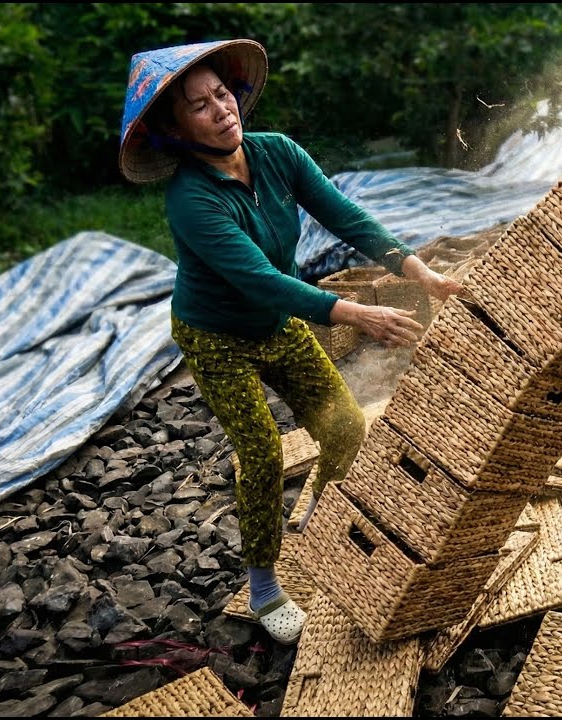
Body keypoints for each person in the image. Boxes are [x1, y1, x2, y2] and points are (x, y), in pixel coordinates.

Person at [117, 39, 463, 644]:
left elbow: (346, 216)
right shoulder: (189, 200)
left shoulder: (276, 153)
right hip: (216, 336)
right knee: (262, 452)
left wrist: (418, 271)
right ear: (176, 130)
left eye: (223, 93)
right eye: (199, 106)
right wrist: (357, 312)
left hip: (276, 324)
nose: (221, 109)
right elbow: (261, 280)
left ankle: (322, 526)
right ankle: (264, 587)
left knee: (346, 429)